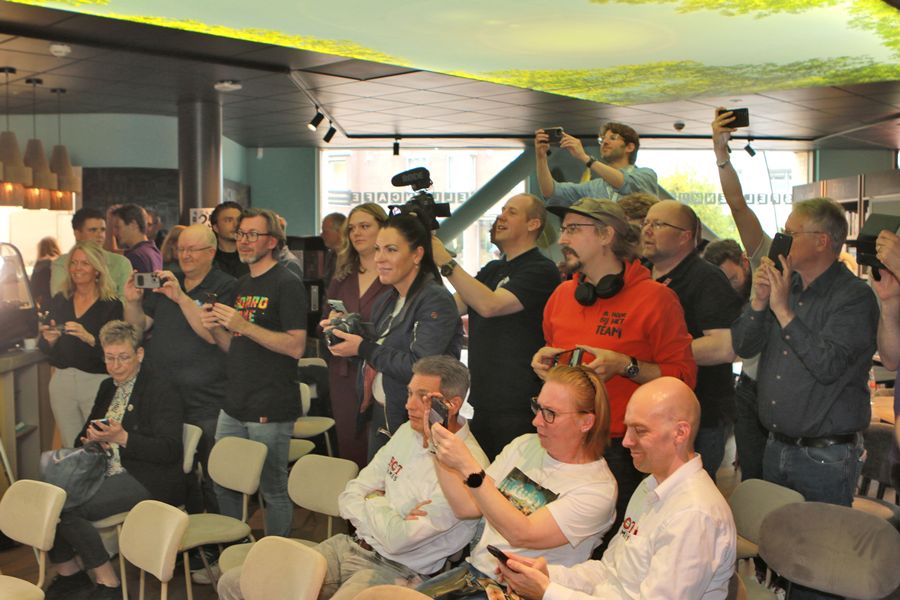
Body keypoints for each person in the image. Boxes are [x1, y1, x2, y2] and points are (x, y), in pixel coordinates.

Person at [216, 356, 490, 600]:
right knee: (235, 583)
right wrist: (385, 510)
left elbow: (398, 540)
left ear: (451, 404)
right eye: (409, 393)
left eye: (423, 397)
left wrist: (373, 500)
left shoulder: (470, 467)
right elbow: (349, 495)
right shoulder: (409, 430)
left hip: (399, 569)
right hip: (348, 546)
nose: (409, 405)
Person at [532, 198, 695, 551]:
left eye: (573, 229)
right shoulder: (561, 296)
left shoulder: (656, 299)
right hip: (566, 444)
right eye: (563, 229)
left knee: (613, 555)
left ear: (607, 235)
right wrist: (546, 371)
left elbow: (683, 380)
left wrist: (626, 366)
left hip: (623, 452)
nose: (562, 239)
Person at [498, 377, 736, 600]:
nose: (626, 441)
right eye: (627, 428)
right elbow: (609, 572)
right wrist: (548, 575)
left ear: (680, 433)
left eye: (640, 430)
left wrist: (548, 592)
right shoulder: (650, 485)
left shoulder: (694, 514)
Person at [419, 365, 617, 597]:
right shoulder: (525, 445)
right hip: (476, 574)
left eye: (550, 413)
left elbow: (522, 533)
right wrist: (436, 443)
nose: (537, 421)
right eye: (538, 407)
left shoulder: (597, 489)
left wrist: (468, 467)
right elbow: (467, 507)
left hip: (521, 592)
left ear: (586, 422)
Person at [732, 198, 878, 506]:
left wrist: (783, 312)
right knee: (774, 532)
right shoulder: (785, 285)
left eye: (791, 234)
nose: (782, 241)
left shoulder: (854, 296)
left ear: (821, 241)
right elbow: (743, 346)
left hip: (825, 456)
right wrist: (759, 302)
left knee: (819, 535)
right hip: (774, 445)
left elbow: (828, 365)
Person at [43, 320, 183, 600]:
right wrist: (89, 440)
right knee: (50, 497)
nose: (115, 366)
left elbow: (170, 450)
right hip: (105, 469)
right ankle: (70, 575)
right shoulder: (108, 386)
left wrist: (123, 438)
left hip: (146, 475)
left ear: (139, 354)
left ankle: (109, 582)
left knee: (68, 507)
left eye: (123, 358)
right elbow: (83, 435)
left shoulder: (160, 389)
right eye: (109, 358)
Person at [201, 207, 306, 538]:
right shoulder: (241, 285)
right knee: (224, 482)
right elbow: (234, 346)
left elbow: (296, 346)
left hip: (270, 403)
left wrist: (243, 325)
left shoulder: (287, 283)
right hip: (234, 403)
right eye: (240, 234)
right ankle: (233, 550)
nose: (243, 241)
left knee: (272, 489)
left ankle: (274, 558)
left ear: (272, 241)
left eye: (252, 235)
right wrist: (215, 327)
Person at [432, 193, 559, 460]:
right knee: (480, 474)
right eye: (502, 210)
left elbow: (489, 305)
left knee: (509, 478)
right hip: (484, 400)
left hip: (518, 404)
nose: (501, 217)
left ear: (533, 224)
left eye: (512, 212)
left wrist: (445, 260)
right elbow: (450, 307)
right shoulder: (492, 269)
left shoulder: (541, 270)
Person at [327, 214, 463, 460]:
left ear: (417, 254)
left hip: (418, 421)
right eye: (378, 249)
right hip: (383, 413)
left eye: (391, 250)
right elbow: (380, 352)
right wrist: (346, 335)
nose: (379, 258)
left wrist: (362, 348)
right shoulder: (387, 300)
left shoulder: (435, 299)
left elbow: (419, 366)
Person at [123, 224, 236, 516]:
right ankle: (184, 531)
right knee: (174, 475)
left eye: (192, 250)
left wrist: (182, 298)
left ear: (211, 252)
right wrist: (132, 303)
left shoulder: (226, 286)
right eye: (181, 248)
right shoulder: (166, 283)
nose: (185, 255)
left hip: (207, 401)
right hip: (164, 400)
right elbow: (137, 329)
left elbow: (212, 334)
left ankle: (222, 535)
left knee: (215, 478)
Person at [641, 199, 744, 480]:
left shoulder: (706, 278)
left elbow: (724, 346)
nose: (647, 230)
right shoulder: (638, 273)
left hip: (698, 418)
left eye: (658, 224)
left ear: (685, 236)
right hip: (648, 412)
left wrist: (647, 354)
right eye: (646, 223)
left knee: (684, 496)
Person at [710, 109, 775, 481]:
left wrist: (722, 156)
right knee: (753, 478)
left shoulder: (768, 257)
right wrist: (720, 155)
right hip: (749, 387)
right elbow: (737, 204)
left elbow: (739, 207)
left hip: (782, 389)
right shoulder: (765, 258)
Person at [324, 203, 390, 467]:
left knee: (383, 450)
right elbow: (324, 320)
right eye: (352, 228)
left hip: (384, 372)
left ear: (383, 229)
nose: (357, 233)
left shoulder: (395, 274)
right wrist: (331, 323)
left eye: (365, 226)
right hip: (344, 372)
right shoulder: (343, 276)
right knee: (350, 445)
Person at [39, 241, 124, 447]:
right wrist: (50, 340)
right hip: (62, 381)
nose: (77, 268)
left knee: (99, 443)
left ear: (97, 269)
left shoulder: (111, 305)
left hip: (97, 381)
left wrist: (90, 338)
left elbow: (117, 352)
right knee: (71, 445)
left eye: (84, 263)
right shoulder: (61, 300)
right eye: (74, 263)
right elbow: (44, 346)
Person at [535, 122, 659, 207]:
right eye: (602, 139)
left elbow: (625, 183)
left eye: (613, 138)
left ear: (630, 147)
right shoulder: (594, 186)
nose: (605, 142)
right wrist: (541, 157)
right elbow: (551, 192)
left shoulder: (646, 175)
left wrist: (585, 158)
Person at [51, 207, 132, 298]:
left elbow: (126, 300)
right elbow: (59, 297)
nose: (100, 235)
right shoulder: (62, 262)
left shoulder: (120, 263)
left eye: (103, 230)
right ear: (77, 234)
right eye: (93, 230)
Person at [111, 203, 162, 273]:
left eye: (118, 227)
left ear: (133, 224)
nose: (115, 232)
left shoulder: (135, 256)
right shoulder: (154, 251)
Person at [211, 201, 250, 279]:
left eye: (239, 220)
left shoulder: (252, 255)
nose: (236, 225)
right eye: (228, 220)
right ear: (216, 228)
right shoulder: (208, 258)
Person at [31, 235, 60, 309]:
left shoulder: (39, 265)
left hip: (46, 303)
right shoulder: (62, 262)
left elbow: (33, 289)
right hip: (63, 302)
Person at [322, 211, 347, 286]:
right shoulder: (329, 256)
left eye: (325, 231)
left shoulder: (353, 258)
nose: (322, 235)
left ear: (340, 231)